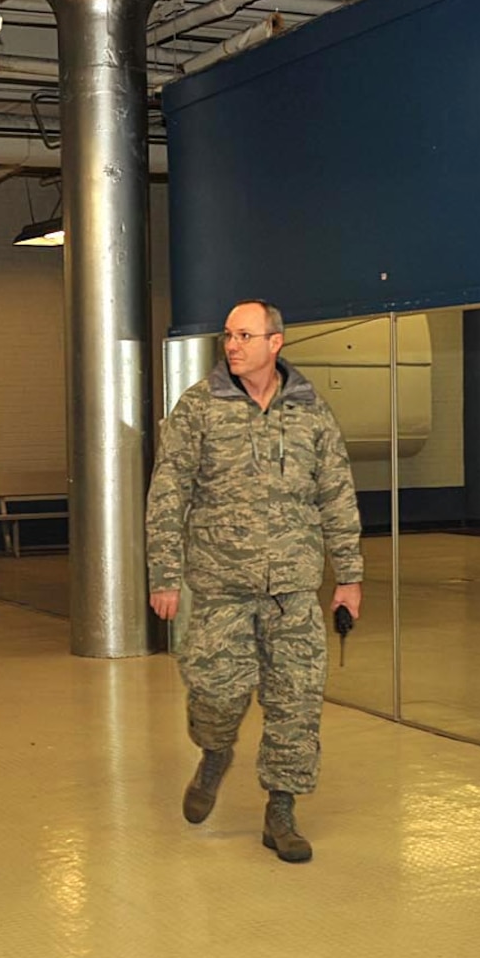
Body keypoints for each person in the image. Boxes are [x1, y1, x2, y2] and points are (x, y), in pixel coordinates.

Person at [145, 298, 364, 863]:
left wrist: (349, 577)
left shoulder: (311, 413)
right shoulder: (199, 409)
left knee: (296, 702)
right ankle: (215, 750)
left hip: (293, 588)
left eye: (244, 335)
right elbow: (169, 495)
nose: (232, 345)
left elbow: (336, 495)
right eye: (227, 336)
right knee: (216, 691)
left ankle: (281, 810)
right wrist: (165, 575)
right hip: (220, 587)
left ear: (275, 342)